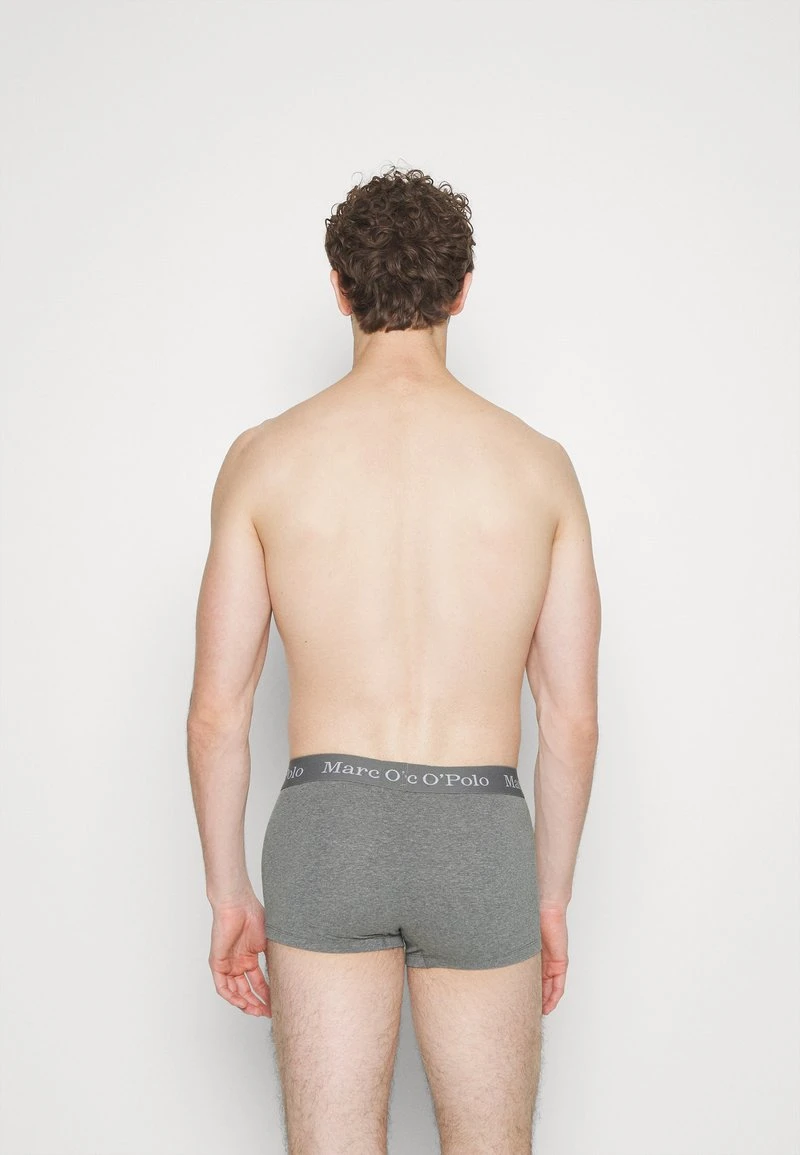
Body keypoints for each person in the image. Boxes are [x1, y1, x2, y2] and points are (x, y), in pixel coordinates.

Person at [187, 165, 600, 1155]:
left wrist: (229, 892)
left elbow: (218, 712)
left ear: (339, 289)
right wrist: (546, 895)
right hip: (479, 833)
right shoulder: (538, 468)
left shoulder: (264, 458)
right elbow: (571, 718)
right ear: (462, 290)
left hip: (328, 829)